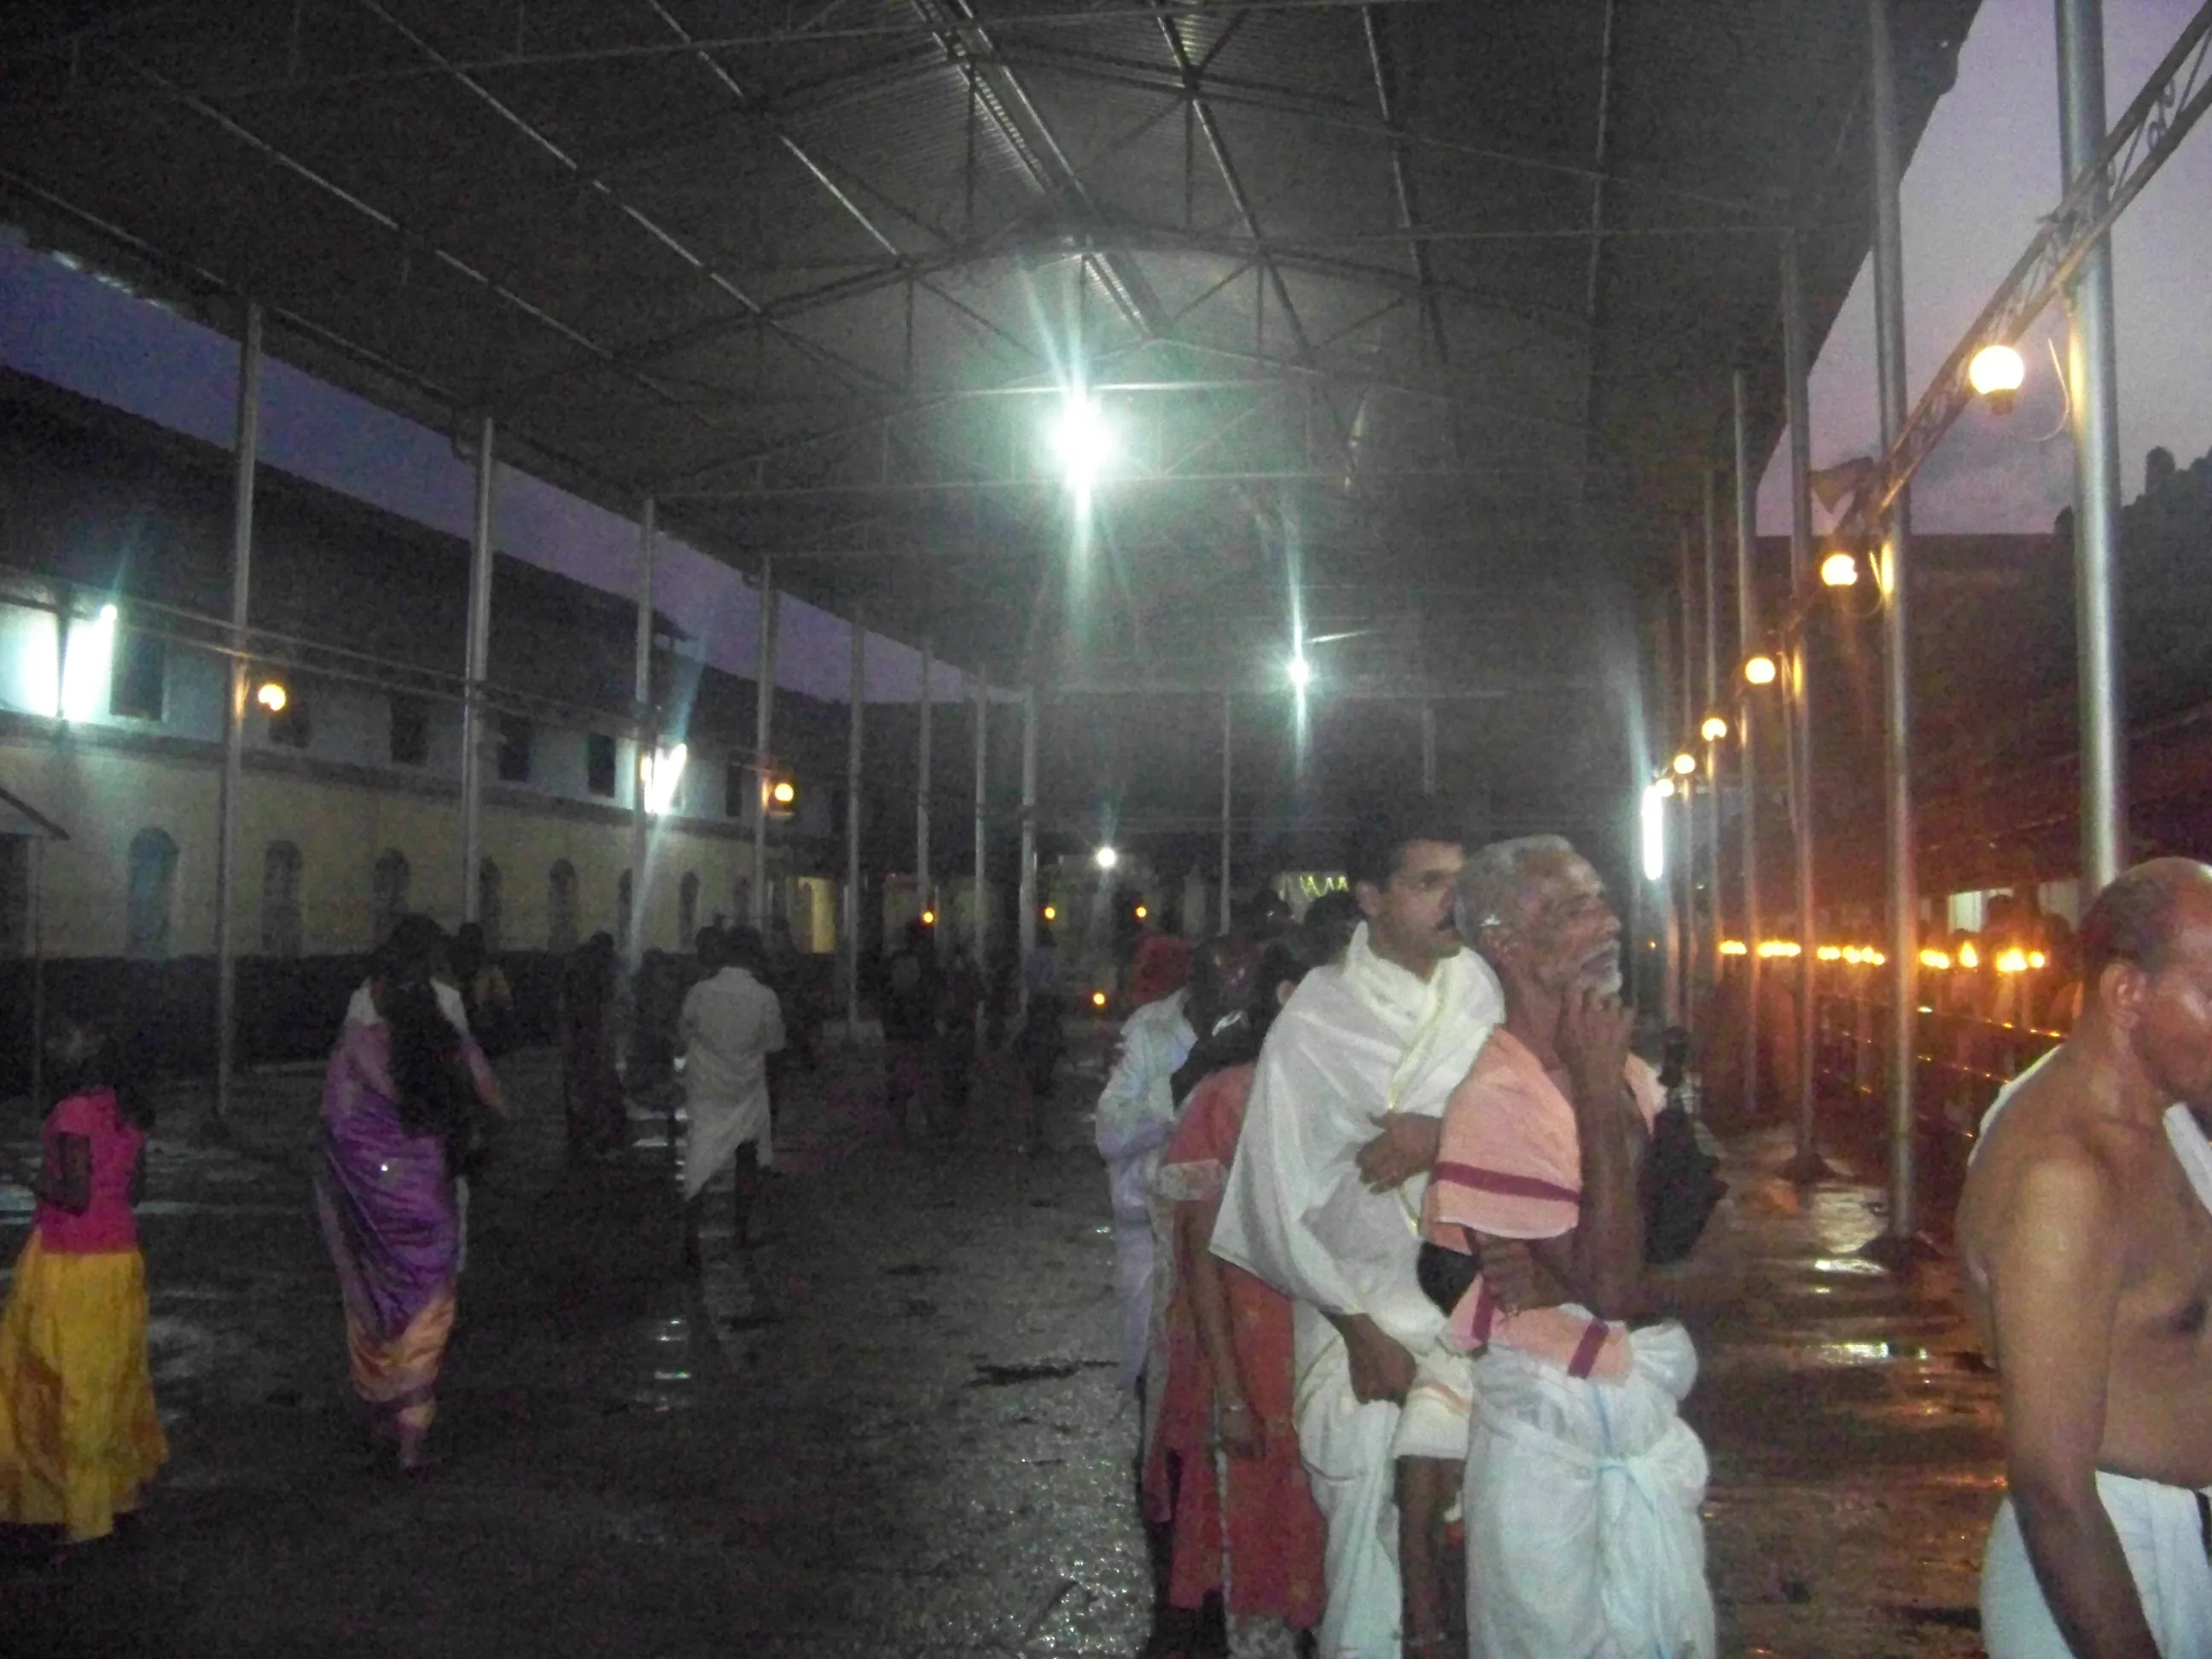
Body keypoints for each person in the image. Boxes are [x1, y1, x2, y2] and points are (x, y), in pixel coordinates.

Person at [1423, 835, 1731, 1658]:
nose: (1604, 924)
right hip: (1545, 1444)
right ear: (1506, 944)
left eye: (1600, 899)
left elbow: (1687, 1260)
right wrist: (1594, 1098)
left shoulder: (1630, 1071)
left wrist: (1596, 1270)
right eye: (1569, 911)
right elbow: (1619, 1291)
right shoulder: (1499, 1096)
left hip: (1627, 1418)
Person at [1213, 801, 1501, 1659]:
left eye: (1462, 880)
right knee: (1368, 1578)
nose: (1451, 901)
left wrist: (1439, 1135)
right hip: (1361, 1329)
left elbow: (1543, 1136)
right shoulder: (1318, 1020)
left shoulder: (1487, 994)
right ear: (1370, 897)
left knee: (1475, 1568)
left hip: (1479, 1322)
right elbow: (1269, 1198)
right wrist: (1358, 1329)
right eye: (1428, 882)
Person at [1958, 860, 2212, 1657]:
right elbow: (2052, 1489)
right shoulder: (2065, 1176)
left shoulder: (2163, 1123)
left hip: (2170, 1540)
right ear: (2128, 995)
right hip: (2104, 1569)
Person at [1147, 935, 1327, 1657]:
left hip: (1345, 1361)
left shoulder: (1367, 1093)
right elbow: (1200, 1260)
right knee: (1259, 1558)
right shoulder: (1225, 1100)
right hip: (1253, 1358)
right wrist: (1226, 1391)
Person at [314, 919, 494, 1470]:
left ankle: (380, 1412)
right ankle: (412, 1440)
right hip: (432, 1194)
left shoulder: (357, 1041)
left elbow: (333, 1122)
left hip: (372, 1199)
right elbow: (493, 1098)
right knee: (427, 1312)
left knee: (370, 1300)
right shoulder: (447, 1037)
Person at [0, 1019, 167, 1543]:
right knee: (110, 1382)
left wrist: (22, 1173)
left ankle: (78, 1511)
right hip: (119, 1260)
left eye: (66, 1035)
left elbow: (73, 1194)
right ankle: (115, 1494)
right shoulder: (127, 1110)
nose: (54, 1042)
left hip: (69, 1261)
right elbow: (135, 1190)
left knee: (56, 1384)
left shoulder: (72, 1112)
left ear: (92, 1046)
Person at [1096, 940, 1197, 1394]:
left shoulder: (1266, 1037)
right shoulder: (1149, 1031)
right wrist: (1175, 1099)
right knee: (1151, 1363)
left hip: (1217, 1237)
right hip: (1148, 1224)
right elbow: (1111, 1133)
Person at [678, 923, 785, 1273]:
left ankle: (691, 1236)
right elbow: (774, 1045)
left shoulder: (700, 992)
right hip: (745, 1088)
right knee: (747, 1156)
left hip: (707, 1088)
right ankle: (740, 1230)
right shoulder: (764, 997)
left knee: (699, 1161)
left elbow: (685, 1030)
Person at [559, 933, 626, 1157]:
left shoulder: (576, 972)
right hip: (593, 1036)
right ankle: (603, 1137)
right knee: (600, 1086)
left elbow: (566, 1009)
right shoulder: (600, 973)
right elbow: (608, 1009)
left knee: (580, 1088)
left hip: (581, 1035)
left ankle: (583, 1137)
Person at [881, 918, 940, 1140]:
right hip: (913, 1031)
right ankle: (921, 1124)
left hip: (903, 1031)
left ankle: (906, 1126)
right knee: (918, 1078)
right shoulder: (912, 963)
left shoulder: (898, 961)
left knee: (905, 1079)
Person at [1013, 924, 1068, 1152]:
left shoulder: (1032, 958)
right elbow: (1057, 982)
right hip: (1047, 1008)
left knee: (1031, 1082)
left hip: (1036, 1007)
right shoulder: (1054, 958)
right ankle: (1041, 1132)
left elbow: (1026, 979)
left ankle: (1031, 1132)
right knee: (1043, 1083)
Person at [936, 939, 987, 1138]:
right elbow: (980, 993)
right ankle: (959, 1117)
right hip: (963, 1027)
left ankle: (954, 1117)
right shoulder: (968, 973)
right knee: (961, 1070)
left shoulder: (948, 974)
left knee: (953, 1071)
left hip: (954, 1028)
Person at [449, 922, 515, 1059]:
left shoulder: (490, 971)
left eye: (473, 941)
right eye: (466, 941)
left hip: (483, 1018)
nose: (470, 945)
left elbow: (506, 1000)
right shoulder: (450, 969)